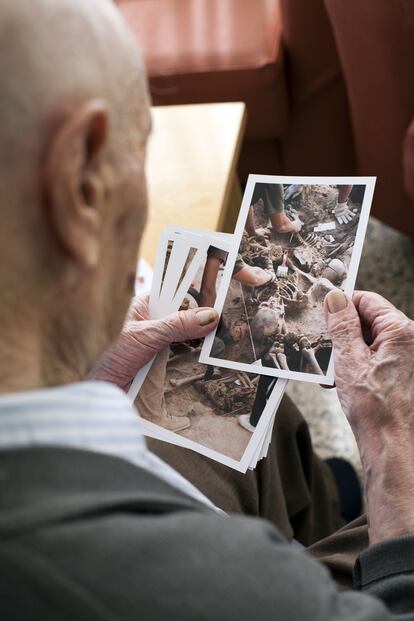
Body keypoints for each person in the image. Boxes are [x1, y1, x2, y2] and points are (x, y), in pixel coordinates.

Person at [1, 2, 414, 620]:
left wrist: (81, 373)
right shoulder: (218, 588)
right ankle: (343, 500)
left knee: (245, 406)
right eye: (140, 150)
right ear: (78, 185)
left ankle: (325, 495)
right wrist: (391, 447)